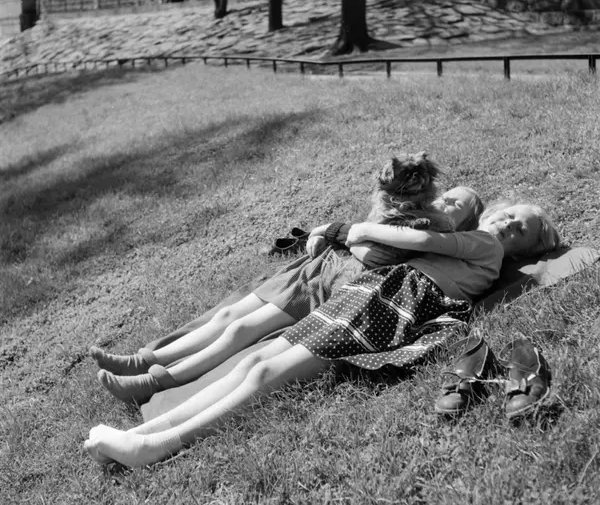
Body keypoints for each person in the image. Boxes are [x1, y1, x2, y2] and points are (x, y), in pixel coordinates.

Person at [84, 198, 559, 467]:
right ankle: (142, 435)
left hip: (391, 301)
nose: (509, 224)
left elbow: (419, 239)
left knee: (265, 373)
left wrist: (348, 229)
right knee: (256, 362)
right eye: (510, 214)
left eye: (521, 230)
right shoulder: (474, 240)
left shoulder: (484, 245)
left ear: (520, 250)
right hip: (374, 293)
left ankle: (152, 447)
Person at [90, 186, 484, 405]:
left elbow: (367, 250)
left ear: (463, 225)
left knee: (239, 331)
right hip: (315, 268)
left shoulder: (432, 240)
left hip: (332, 286)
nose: (445, 202)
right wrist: (329, 231)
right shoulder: (405, 216)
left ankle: (156, 381)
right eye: (447, 195)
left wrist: (341, 233)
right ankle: (143, 360)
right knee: (227, 317)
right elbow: (350, 230)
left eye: (457, 206)